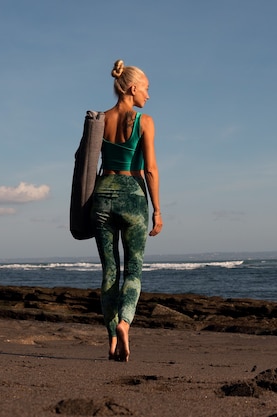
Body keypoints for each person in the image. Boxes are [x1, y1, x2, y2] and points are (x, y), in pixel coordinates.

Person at [91, 59, 162, 362]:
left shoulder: (99, 119)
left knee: (109, 271)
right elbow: (150, 171)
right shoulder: (144, 122)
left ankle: (110, 340)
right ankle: (124, 324)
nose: (148, 95)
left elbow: (85, 163)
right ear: (133, 88)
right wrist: (157, 211)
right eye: (146, 89)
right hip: (132, 197)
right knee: (133, 270)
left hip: (103, 195)